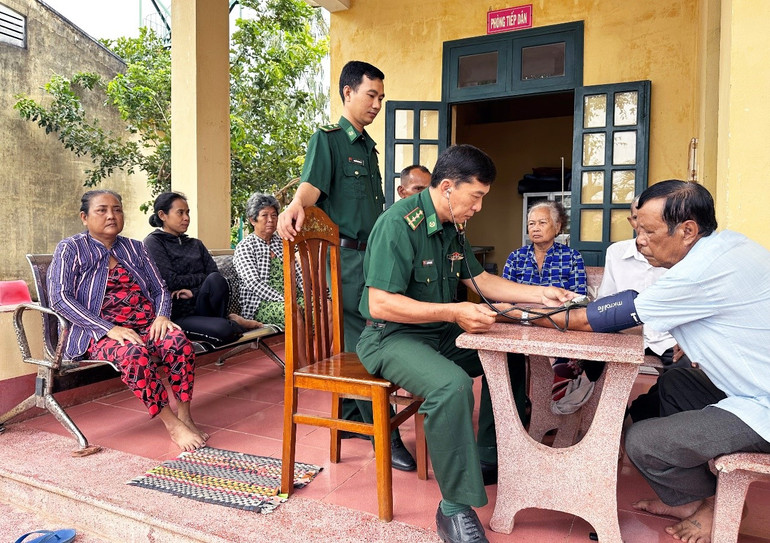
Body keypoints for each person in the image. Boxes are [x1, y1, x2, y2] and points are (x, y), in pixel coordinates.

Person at [507, 180, 770, 543]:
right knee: (675, 384)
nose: (639, 240)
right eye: (637, 230)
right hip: (751, 382)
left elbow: (586, 320)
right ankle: (687, 498)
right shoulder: (728, 246)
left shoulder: (696, 273)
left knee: (642, 441)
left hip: (763, 404)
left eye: (648, 231)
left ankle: (718, 504)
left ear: (688, 230)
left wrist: (514, 313)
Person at [356, 144, 575, 543]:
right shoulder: (397, 224)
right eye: (475, 196)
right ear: (446, 187)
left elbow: (479, 281)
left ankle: (490, 457)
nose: (478, 207)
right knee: (452, 386)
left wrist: (538, 292)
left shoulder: (453, 226)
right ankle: (453, 510)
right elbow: (379, 302)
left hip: (437, 334)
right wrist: (455, 312)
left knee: (504, 353)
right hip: (391, 337)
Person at [276, 60, 415, 471]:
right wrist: (295, 205)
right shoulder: (330, 140)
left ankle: (355, 419)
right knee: (367, 339)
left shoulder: (368, 148)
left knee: (377, 332)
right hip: (347, 261)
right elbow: (311, 187)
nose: (377, 104)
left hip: (372, 255)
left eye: (381, 97)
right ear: (348, 93)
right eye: (371, 95)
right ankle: (383, 431)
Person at [49, 190, 206, 452]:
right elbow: (59, 299)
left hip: (145, 324)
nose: (112, 215)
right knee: (134, 354)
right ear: (84, 218)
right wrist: (108, 328)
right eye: (102, 210)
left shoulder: (135, 248)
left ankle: (186, 415)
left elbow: (160, 289)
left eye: (117, 209)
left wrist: (162, 316)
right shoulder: (70, 249)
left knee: (178, 342)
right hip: (96, 332)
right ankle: (172, 424)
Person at [598, 195, 690, 421]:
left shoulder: (681, 255)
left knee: (685, 373)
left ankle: (644, 412)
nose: (644, 234)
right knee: (594, 365)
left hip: (669, 337)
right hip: (626, 333)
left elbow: (692, 304)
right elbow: (604, 300)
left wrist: (690, 337)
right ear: (633, 221)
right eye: (640, 220)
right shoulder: (616, 253)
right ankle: (605, 427)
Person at [503, 201, 591, 411]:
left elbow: (579, 298)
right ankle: (517, 404)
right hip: (520, 323)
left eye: (542, 222)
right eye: (531, 223)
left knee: (568, 357)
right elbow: (503, 297)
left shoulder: (571, 257)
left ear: (558, 226)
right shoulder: (516, 257)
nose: (535, 227)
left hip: (557, 324)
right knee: (506, 356)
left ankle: (554, 406)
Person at [143, 192, 259, 346]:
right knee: (225, 330)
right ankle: (229, 321)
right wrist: (201, 277)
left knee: (216, 280)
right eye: (180, 213)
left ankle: (224, 320)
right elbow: (170, 281)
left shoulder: (196, 244)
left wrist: (193, 291)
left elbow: (215, 276)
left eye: (187, 212)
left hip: (204, 306)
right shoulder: (154, 243)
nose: (186, 218)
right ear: (163, 215)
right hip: (179, 313)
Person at [233, 192, 303, 330]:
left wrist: (309, 294)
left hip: (293, 298)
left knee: (326, 306)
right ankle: (300, 352)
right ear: (253, 220)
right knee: (294, 311)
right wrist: (286, 300)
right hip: (261, 304)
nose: (270, 220)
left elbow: (298, 273)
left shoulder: (283, 242)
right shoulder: (246, 246)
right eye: (264, 215)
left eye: (274, 215)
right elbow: (254, 283)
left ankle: (326, 352)